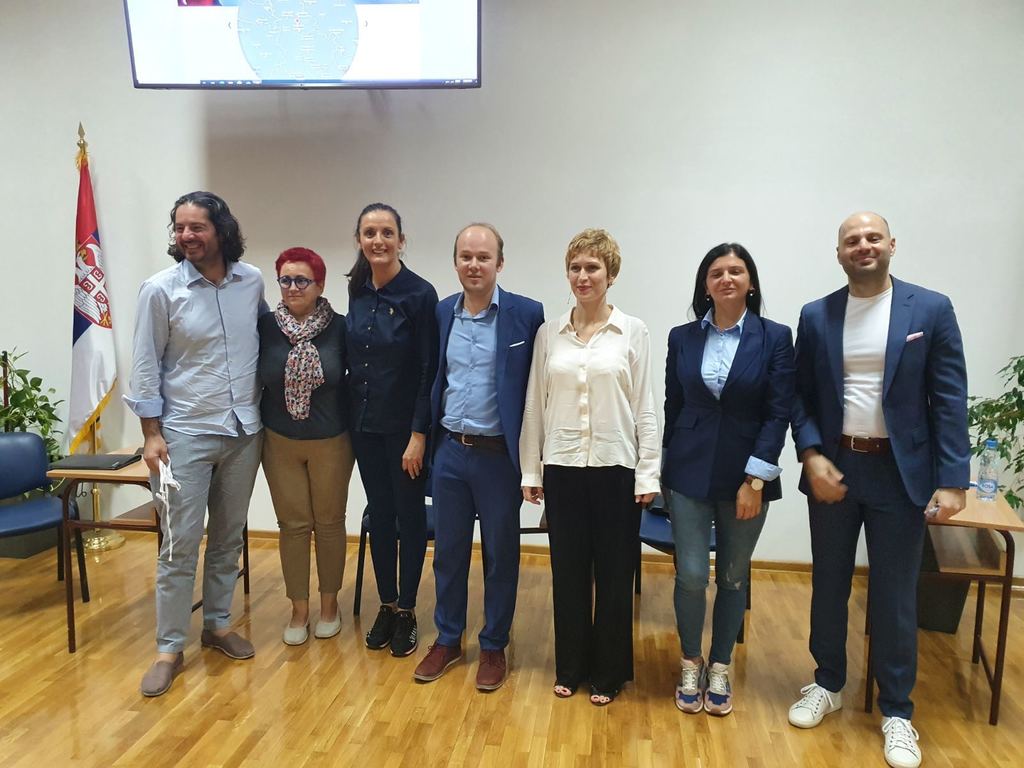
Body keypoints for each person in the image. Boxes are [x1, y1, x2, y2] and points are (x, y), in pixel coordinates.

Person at [788, 212, 970, 768]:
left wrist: (953, 479)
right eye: (852, 240)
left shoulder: (930, 309)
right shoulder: (816, 315)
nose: (862, 246)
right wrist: (812, 454)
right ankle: (827, 682)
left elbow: (949, 397)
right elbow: (799, 396)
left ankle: (897, 711)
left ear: (892, 244)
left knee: (895, 594)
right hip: (837, 468)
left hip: (900, 473)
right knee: (829, 584)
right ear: (838, 253)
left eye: (872, 237)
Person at [125, 191, 266, 697]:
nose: (186, 236)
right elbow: (145, 365)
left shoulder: (252, 281)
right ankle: (168, 648)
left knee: (228, 538)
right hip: (183, 436)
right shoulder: (160, 290)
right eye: (179, 227)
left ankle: (218, 625)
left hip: (244, 432)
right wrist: (150, 434)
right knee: (178, 544)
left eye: (197, 227)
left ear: (221, 231)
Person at [521, 228, 660, 706]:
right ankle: (572, 666)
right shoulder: (549, 334)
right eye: (575, 267)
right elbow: (535, 406)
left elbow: (645, 407)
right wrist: (531, 470)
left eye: (593, 267)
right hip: (562, 467)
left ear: (610, 274)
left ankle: (608, 672)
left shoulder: (633, 331)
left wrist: (648, 473)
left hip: (616, 468)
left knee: (616, 574)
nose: (583, 276)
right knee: (569, 572)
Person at [663, 243, 795, 716]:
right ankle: (691, 661)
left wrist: (755, 480)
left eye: (736, 271)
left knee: (734, 577)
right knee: (692, 574)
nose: (726, 279)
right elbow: (673, 405)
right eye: (716, 272)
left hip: (746, 477)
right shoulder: (682, 336)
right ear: (705, 284)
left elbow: (778, 412)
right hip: (688, 472)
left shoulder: (775, 337)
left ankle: (720, 664)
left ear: (750, 282)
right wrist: (663, 465)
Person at [412, 223, 544, 690]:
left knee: (500, 555)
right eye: (466, 257)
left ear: (499, 263)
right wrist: (420, 436)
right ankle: (448, 638)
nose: (474, 265)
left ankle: (493, 645)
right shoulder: (442, 311)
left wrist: (535, 462)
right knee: (447, 553)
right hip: (450, 451)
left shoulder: (527, 314)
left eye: (483, 257)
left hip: (499, 457)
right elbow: (431, 377)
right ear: (455, 262)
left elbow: (538, 390)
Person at [346, 203, 439, 658]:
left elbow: (428, 370)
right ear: (359, 240)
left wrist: (419, 434)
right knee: (380, 514)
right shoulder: (357, 289)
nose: (378, 240)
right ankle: (385, 603)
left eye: (387, 232)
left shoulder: (420, 294)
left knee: (409, 516)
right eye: (370, 232)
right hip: (364, 426)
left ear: (401, 240)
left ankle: (407, 608)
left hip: (405, 432)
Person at [258, 247, 355, 646]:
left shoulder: (342, 328)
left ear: (320, 285)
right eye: (285, 279)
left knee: (329, 523)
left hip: (332, 440)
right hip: (279, 440)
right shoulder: (265, 327)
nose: (293, 287)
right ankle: (299, 609)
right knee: (293, 525)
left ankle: (329, 606)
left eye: (302, 280)